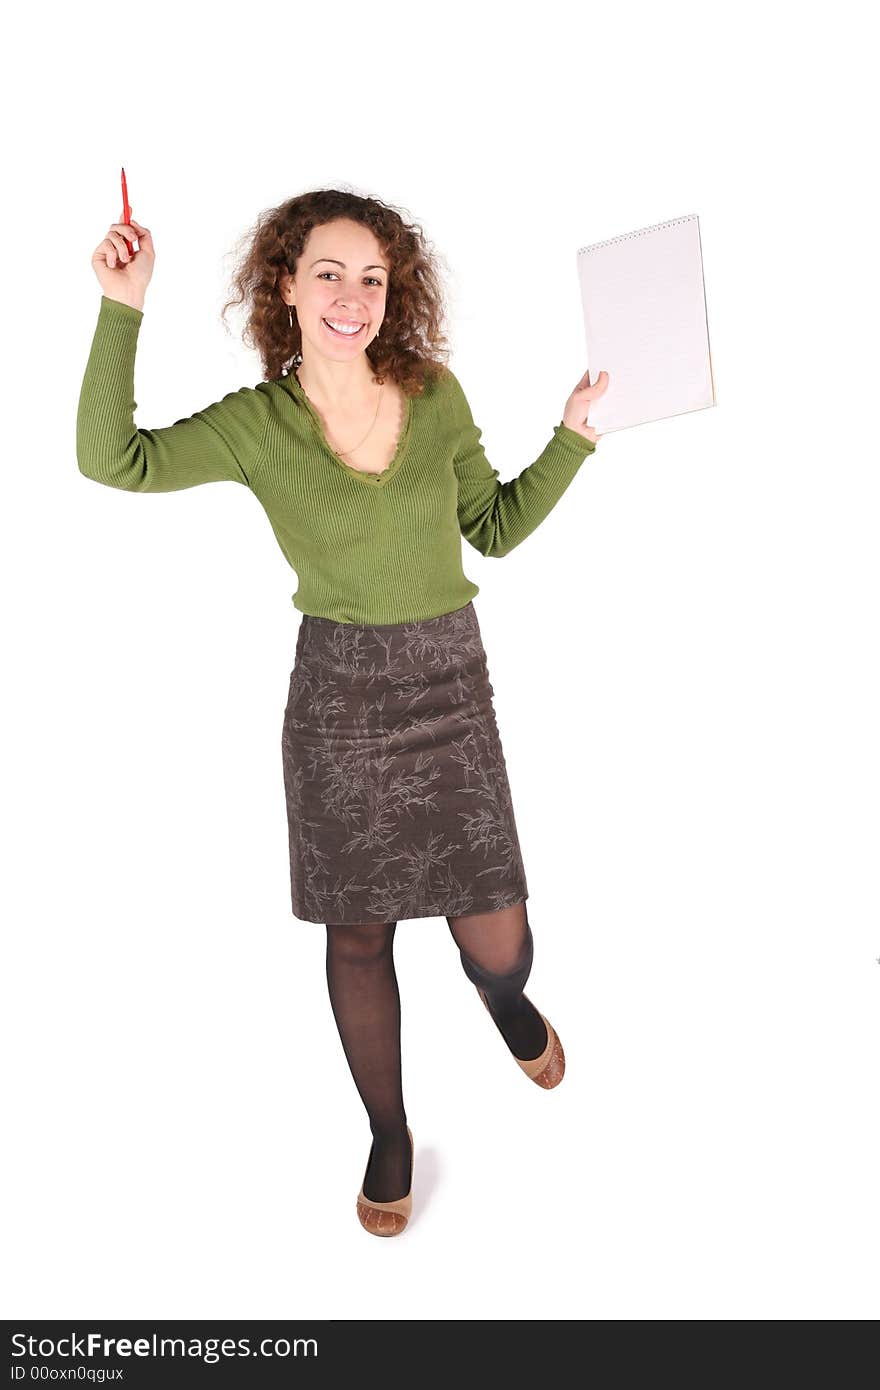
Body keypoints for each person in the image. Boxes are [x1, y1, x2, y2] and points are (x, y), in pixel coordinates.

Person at [77, 188, 609, 1238]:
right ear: (286, 285)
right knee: (358, 937)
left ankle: (505, 1006)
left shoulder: (434, 395)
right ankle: (389, 1131)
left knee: (497, 943)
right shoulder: (256, 425)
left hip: (449, 687)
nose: (352, 296)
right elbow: (113, 459)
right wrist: (122, 307)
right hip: (339, 704)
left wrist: (572, 438)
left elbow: (491, 528)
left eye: (371, 277)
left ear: (390, 293)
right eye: (329, 272)